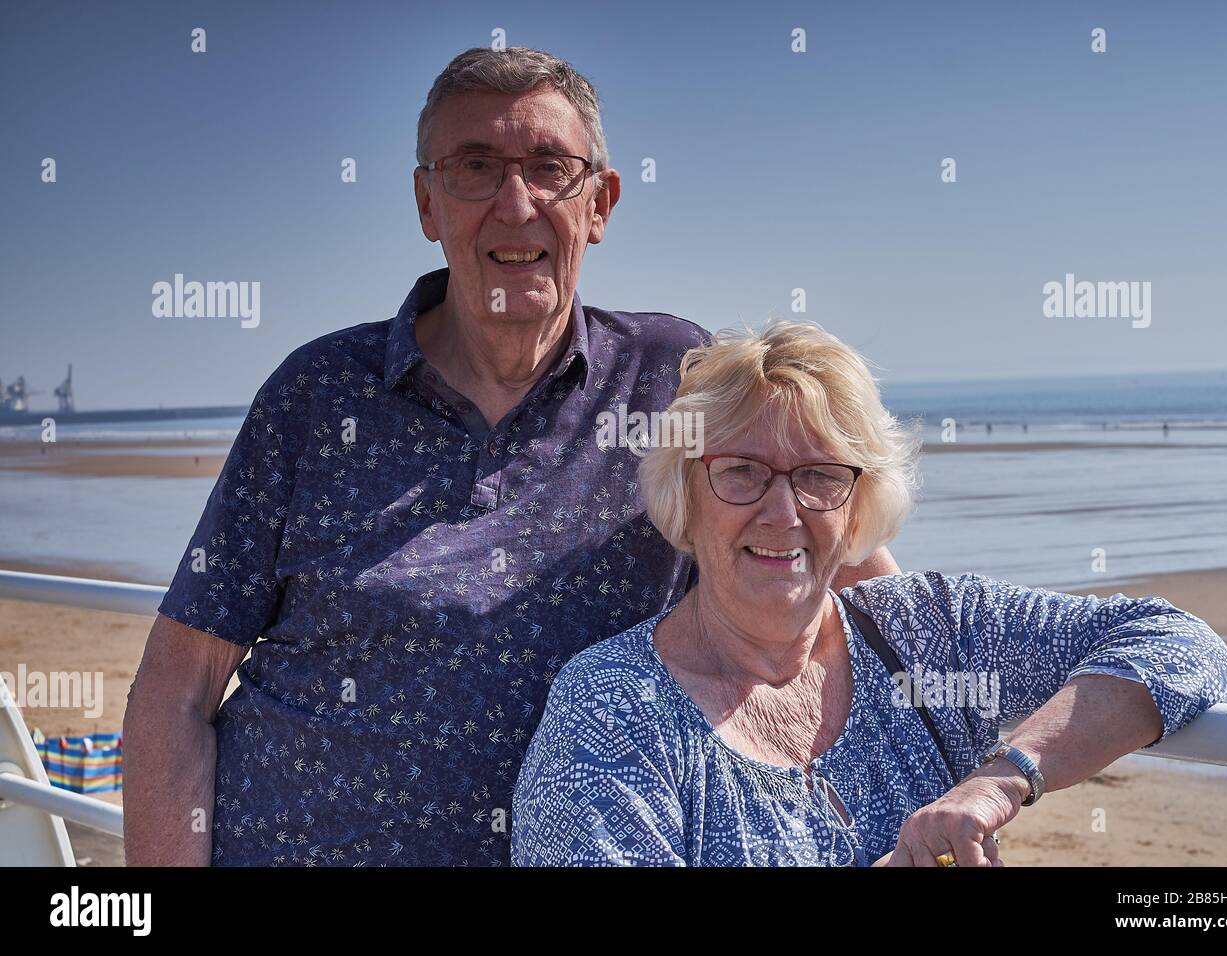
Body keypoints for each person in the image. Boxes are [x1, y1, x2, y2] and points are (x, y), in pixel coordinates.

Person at [122, 48, 899, 867]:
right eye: (475, 167)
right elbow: (178, 688)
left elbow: (860, 584)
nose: (515, 203)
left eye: (549, 169)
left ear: (600, 203)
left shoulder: (672, 382)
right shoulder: (316, 395)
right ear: (427, 201)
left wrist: (966, 787)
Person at [511, 321, 1227, 866]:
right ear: (684, 493)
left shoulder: (931, 633)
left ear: (859, 506)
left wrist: (1000, 779)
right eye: (741, 471)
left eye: (820, 475)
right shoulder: (612, 714)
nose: (782, 512)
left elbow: (1180, 645)